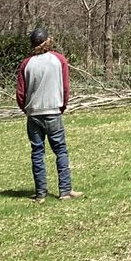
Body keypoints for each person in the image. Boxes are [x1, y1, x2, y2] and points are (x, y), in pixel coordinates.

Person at [16, 28, 83, 204]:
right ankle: (65, 191)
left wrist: (27, 109)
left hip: (34, 113)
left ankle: (40, 194)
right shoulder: (58, 60)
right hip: (53, 110)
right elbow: (65, 87)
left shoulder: (26, 64)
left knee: (37, 152)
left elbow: (20, 93)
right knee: (60, 150)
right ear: (48, 41)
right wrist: (62, 105)